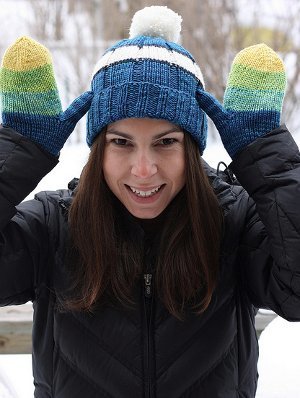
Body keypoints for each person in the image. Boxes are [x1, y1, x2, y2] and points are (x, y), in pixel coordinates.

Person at [0, 5, 299, 398]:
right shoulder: (53, 227)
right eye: (121, 142)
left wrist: (265, 157)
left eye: (166, 142)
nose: (144, 170)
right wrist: (17, 156)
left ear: (191, 149)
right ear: (98, 150)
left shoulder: (234, 222)